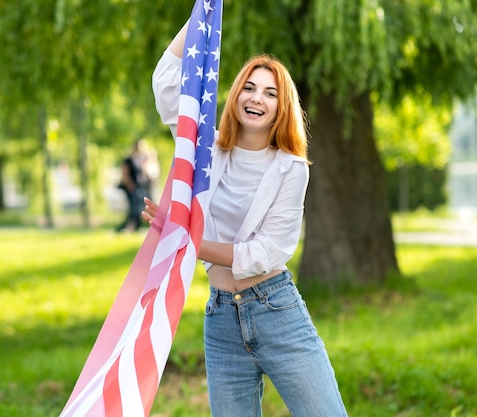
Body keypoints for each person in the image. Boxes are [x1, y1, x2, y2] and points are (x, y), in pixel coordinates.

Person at [143, 16, 348, 417]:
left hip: (277, 313)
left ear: (280, 107)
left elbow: (267, 252)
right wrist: (202, 12)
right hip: (221, 318)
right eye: (249, 88)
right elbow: (167, 82)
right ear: (236, 96)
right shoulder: (208, 151)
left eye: (270, 93)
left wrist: (188, 242)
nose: (257, 98)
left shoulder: (292, 168)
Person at [117, 139, 150, 232]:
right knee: (134, 208)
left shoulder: (140, 160)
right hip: (132, 187)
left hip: (140, 187)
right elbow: (125, 173)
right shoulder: (128, 160)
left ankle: (134, 227)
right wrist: (130, 184)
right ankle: (128, 227)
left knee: (139, 207)